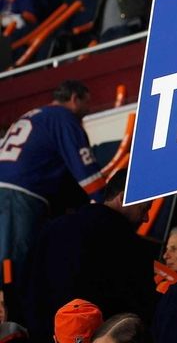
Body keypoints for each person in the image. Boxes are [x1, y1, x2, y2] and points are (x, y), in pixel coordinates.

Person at [25, 169, 156, 342]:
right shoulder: (130, 245)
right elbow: (140, 309)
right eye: (144, 208)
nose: (146, 218)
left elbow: (26, 281)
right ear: (124, 198)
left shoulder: (52, 228)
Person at [0, 80, 105, 291]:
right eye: (87, 102)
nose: (89, 108)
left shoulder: (34, 115)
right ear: (75, 98)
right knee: (19, 268)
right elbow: (85, 170)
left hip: (9, 190)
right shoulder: (64, 118)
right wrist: (103, 201)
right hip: (20, 195)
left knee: (8, 265)